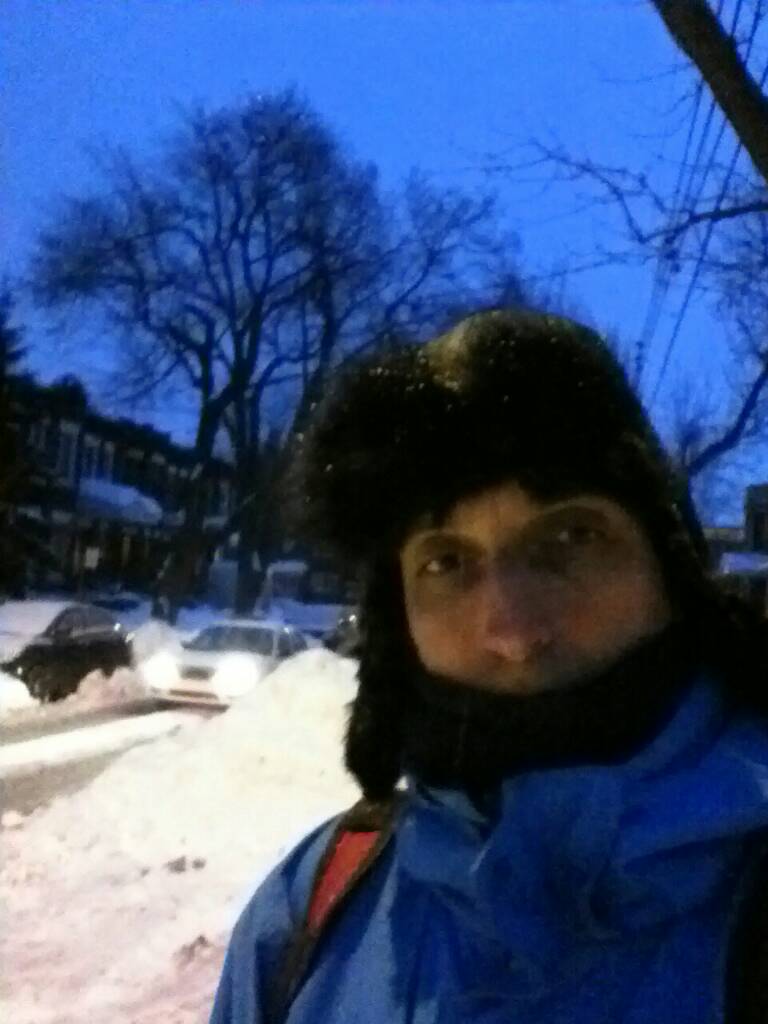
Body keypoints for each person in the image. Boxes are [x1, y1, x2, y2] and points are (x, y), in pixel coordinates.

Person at [209, 309, 768, 1024]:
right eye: (446, 562)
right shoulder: (308, 912)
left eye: (572, 536)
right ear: (399, 624)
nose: (512, 632)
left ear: (670, 568)